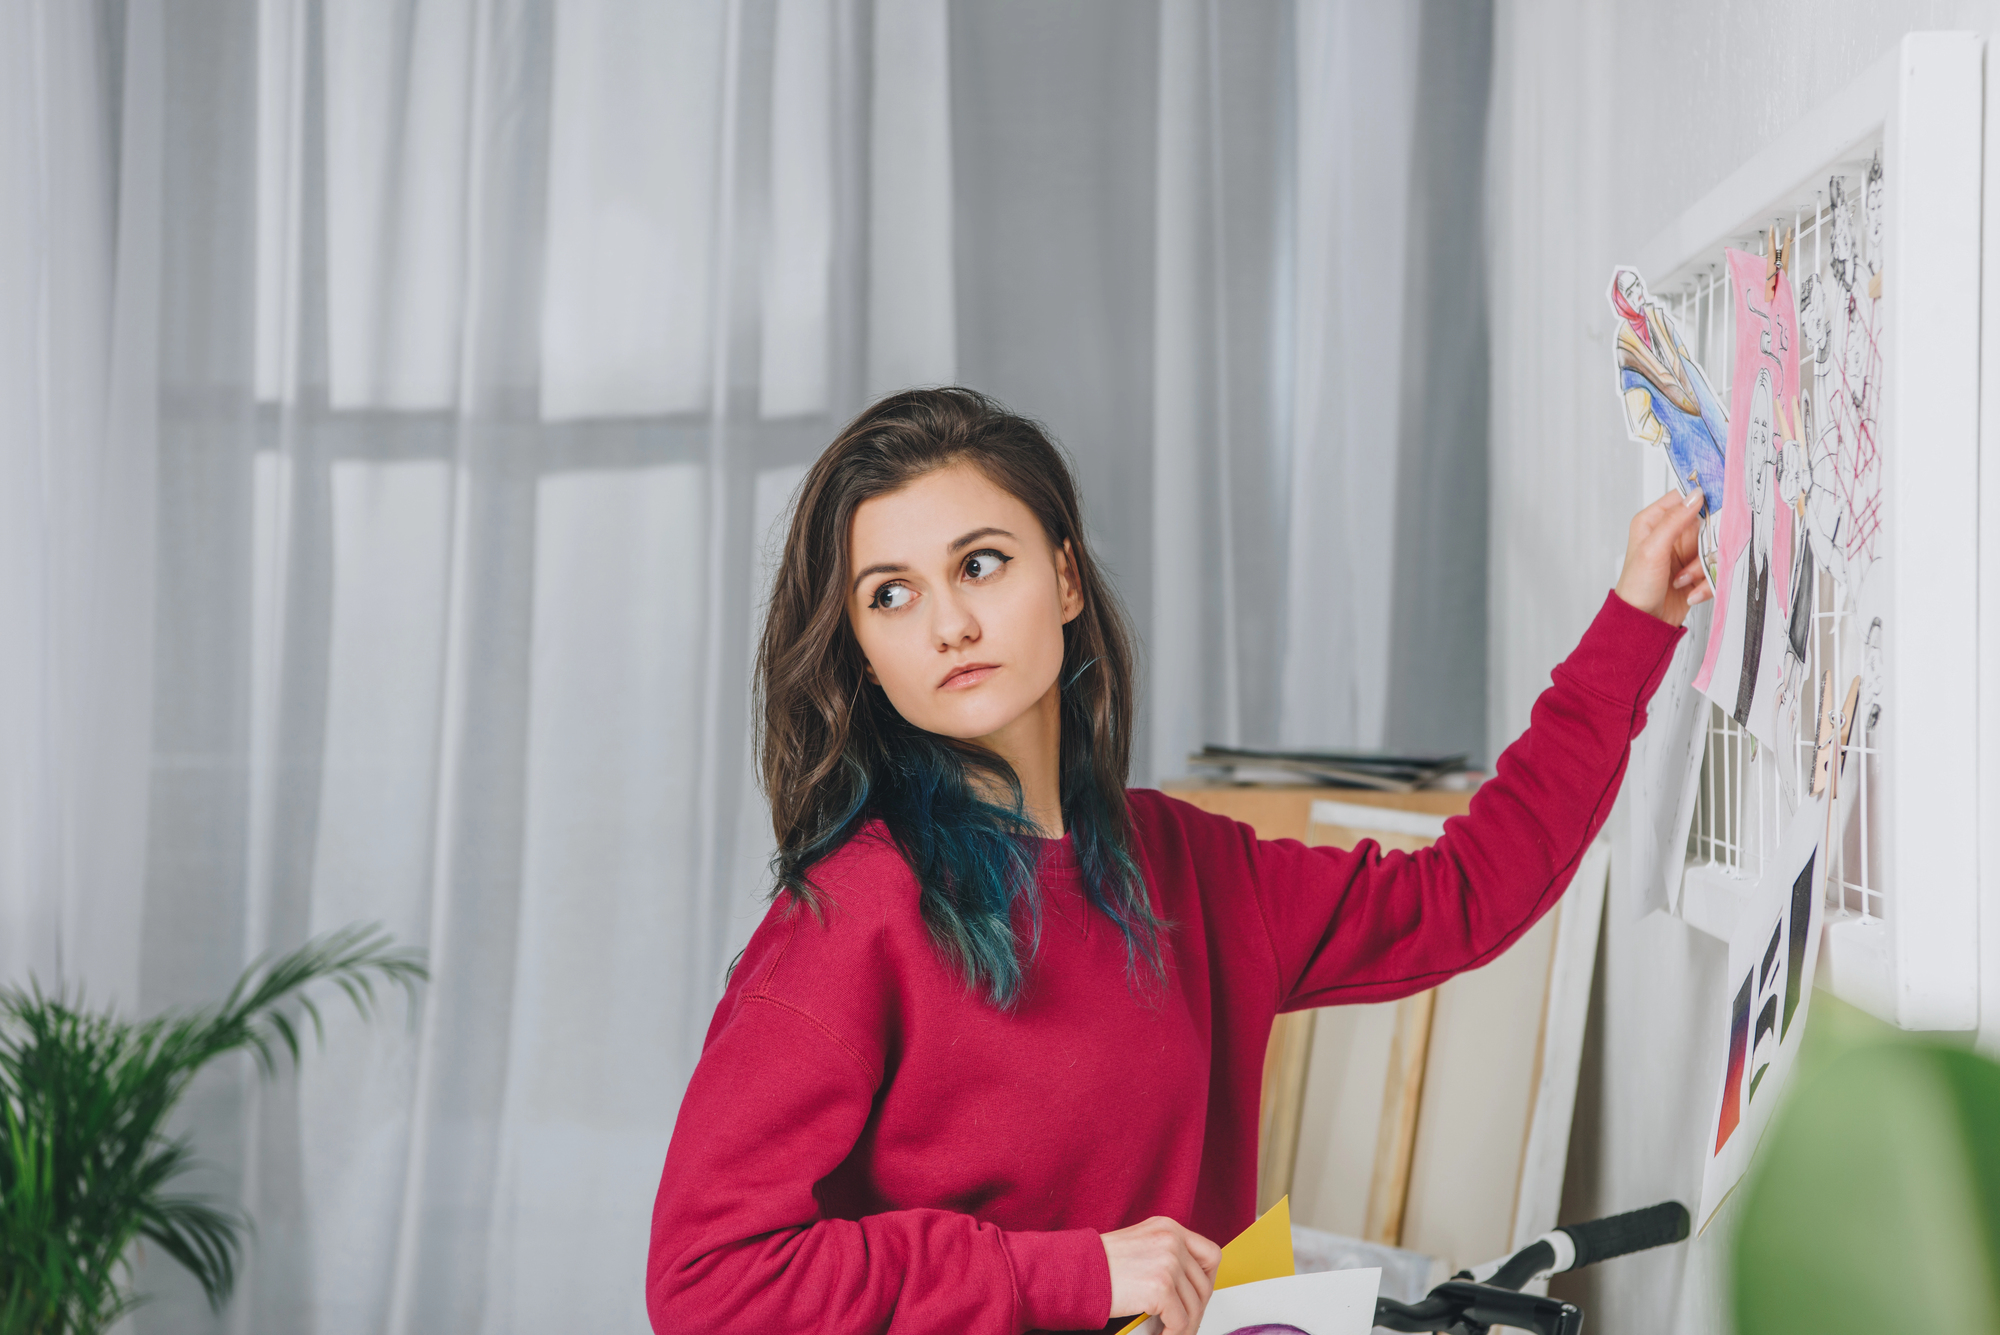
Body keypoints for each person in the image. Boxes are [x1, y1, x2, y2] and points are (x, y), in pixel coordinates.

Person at [646, 388, 1709, 1335]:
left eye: (979, 563)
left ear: (1062, 578)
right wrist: (1072, 1274)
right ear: (862, 657)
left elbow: (1463, 897)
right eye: (891, 594)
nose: (950, 624)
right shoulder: (851, 916)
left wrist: (1631, 627)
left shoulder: (1187, 866)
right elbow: (706, 1279)